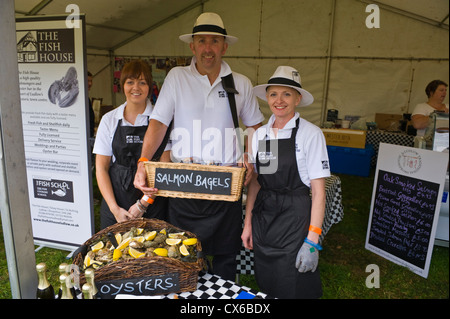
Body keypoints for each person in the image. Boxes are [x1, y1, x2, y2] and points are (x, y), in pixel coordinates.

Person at [133, 12, 264, 281]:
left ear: (224, 46)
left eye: (214, 41)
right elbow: (158, 124)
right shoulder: (176, 77)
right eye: (202, 41)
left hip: (225, 183)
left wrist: (249, 155)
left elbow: (255, 128)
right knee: (184, 256)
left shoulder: (240, 83)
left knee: (227, 256)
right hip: (184, 181)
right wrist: (143, 163)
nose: (208, 48)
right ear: (192, 46)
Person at [241, 66, 330, 298]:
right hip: (265, 214)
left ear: (298, 98)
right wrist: (248, 223)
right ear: (267, 98)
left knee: (295, 282)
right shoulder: (260, 135)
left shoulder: (311, 134)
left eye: (287, 94)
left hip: (295, 215)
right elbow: (257, 183)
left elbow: (319, 193)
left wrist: (313, 240)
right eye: (273, 94)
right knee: (267, 278)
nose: (279, 100)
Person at [94, 59, 170, 229]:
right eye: (130, 82)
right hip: (115, 203)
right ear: (122, 86)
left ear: (150, 87)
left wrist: (143, 203)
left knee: (152, 253)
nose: (136, 88)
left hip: (152, 203)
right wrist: (115, 209)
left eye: (142, 82)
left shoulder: (161, 121)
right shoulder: (109, 120)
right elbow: (101, 168)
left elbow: (165, 166)